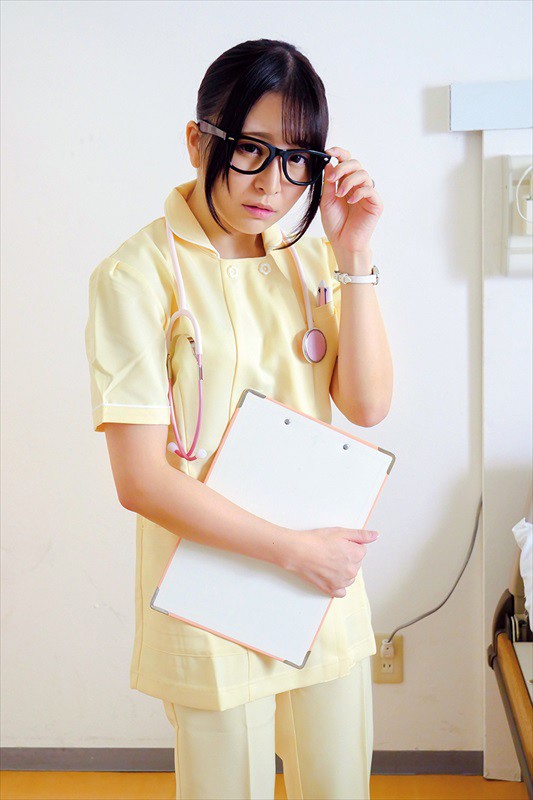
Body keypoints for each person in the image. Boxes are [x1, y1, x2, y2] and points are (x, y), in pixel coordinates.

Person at [84, 37, 392, 800]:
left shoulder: (311, 259)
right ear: (198, 141)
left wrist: (354, 255)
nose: (273, 184)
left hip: (317, 582)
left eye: (297, 160)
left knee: (337, 788)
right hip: (212, 586)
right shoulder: (134, 276)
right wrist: (293, 552)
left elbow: (366, 405)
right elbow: (139, 480)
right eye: (251, 149)